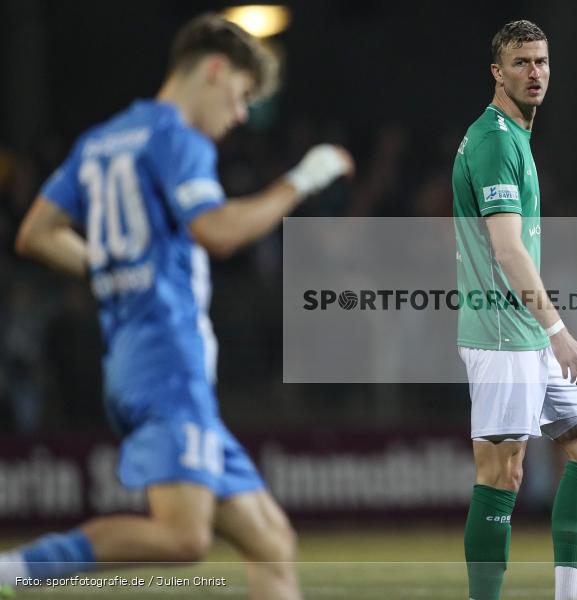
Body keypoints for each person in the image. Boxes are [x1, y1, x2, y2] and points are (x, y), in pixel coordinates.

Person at [1, 14, 353, 599]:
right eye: (241, 96)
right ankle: (16, 571)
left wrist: (117, 268)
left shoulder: (103, 139)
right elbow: (217, 231)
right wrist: (301, 180)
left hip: (138, 357)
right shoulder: (177, 137)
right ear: (214, 70)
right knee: (182, 538)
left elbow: (36, 232)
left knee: (270, 539)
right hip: (168, 361)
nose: (240, 116)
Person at [451, 20, 577, 600]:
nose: (535, 72)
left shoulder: (513, 134)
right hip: (503, 336)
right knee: (502, 474)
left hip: (524, 335)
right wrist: (558, 329)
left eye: (542, 62)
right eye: (521, 63)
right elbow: (506, 248)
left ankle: (569, 595)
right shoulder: (496, 140)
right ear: (497, 72)